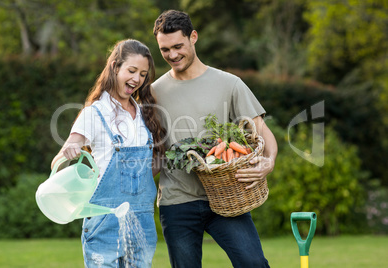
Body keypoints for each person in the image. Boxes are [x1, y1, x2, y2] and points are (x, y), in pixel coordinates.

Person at [152, 10, 278, 267]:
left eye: (178, 46)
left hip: (225, 197)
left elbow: (262, 133)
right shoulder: (153, 92)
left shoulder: (229, 84)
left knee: (254, 263)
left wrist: (270, 161)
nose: (173, 55)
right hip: (177, 200)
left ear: (193, 37)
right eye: (165, 50)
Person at [51, 39, 166, 267]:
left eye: (143, 74)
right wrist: (69, 154)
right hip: (105, 219)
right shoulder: (94, 113)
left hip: (141, 219)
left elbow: (146, 169)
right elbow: (58, 161)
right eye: (131, 70)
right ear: (115, 67)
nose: (137, 79)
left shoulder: (144, 115)